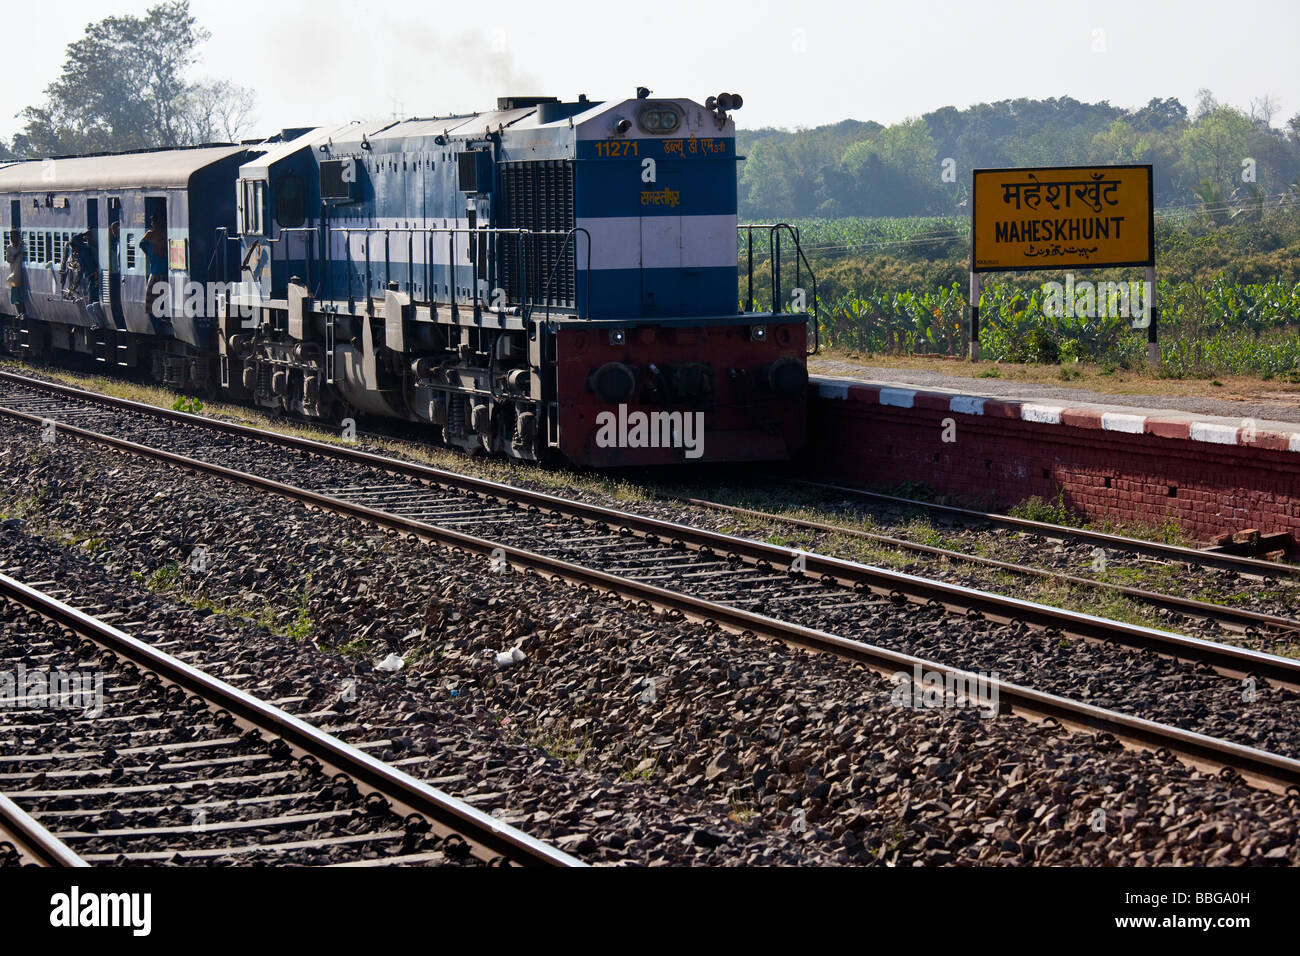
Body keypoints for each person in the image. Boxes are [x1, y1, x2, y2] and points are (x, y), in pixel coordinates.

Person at [140, 215, 168, 318]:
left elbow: (142, 245)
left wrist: (150, 253)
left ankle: (156, 315)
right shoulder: (165, 233)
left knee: (151, 295)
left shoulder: (149, 235)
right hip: (164, 271)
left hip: (156, 271)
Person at [5, 231, 24, 318]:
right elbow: (9, 259)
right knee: (15, 295)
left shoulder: (22, 246)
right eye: (10, 236)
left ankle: (22, 312)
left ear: (18, 237)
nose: (12, 238)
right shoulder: (9, 248)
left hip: (22, 274)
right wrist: (17, 253)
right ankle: (20, 312)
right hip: (15, 275)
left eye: (14, 236)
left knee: (21, 295)